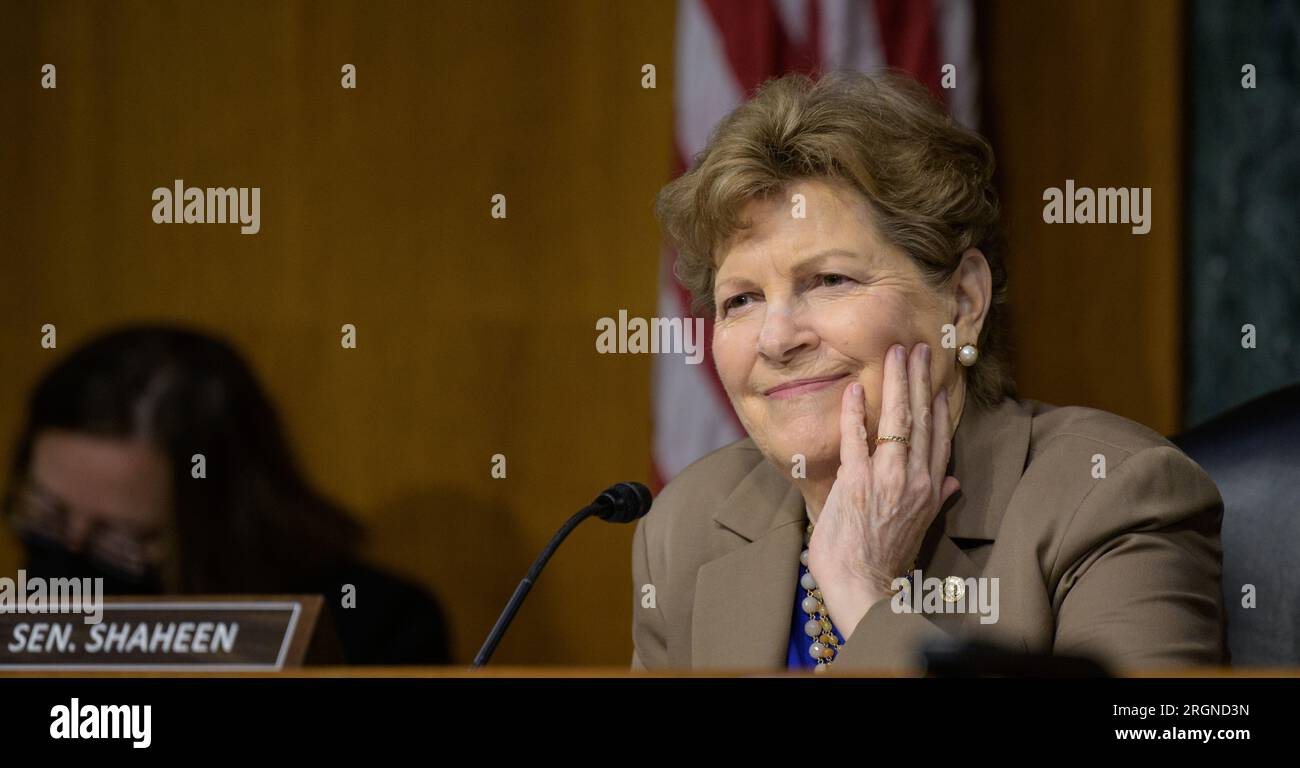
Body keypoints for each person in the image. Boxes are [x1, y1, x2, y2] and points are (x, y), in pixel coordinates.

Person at [633, 70, 1225, 673]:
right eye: (741, 300)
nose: (777, 338)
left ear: (963, 302)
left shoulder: (1110, 497)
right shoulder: (687, 526)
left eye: (830, 280)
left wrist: (862, 592)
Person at [3, 325, 450, 665]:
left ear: (221, 520)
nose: (70, 559)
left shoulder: (376, 628)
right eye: (47, 517)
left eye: (121, 539)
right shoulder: (34, 597)